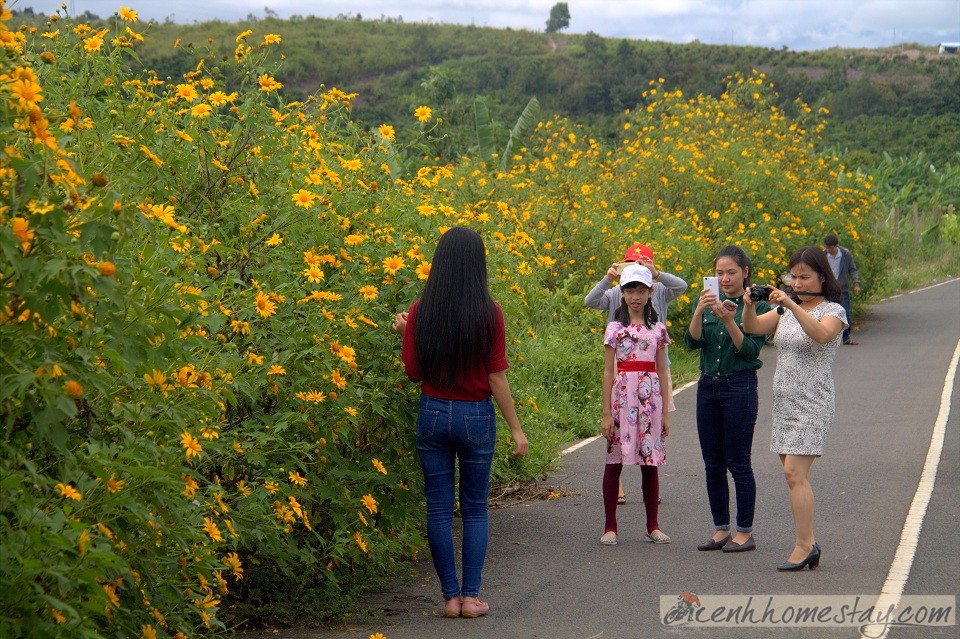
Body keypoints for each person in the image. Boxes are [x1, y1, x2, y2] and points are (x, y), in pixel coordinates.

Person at [392, 227, 529, 618]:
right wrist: (516, 429)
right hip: (475, 417)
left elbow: (414, 372)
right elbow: (496, 376)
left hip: (433, 412)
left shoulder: (421, 311)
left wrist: (407, 334)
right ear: (477, 264)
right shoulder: (490, 312)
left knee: (437, 510)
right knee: (474, 509)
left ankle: (450, 599)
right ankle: (471, 598)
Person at [742, 246, 847, 572]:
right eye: (794, 277)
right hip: (785, 402)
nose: (797, 283)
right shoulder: (788, 308)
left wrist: (789, 303)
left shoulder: (833, 310)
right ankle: (809, 544)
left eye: (804, 277)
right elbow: (754, 328)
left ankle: (803, 546)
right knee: (793, 476)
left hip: (813, 402)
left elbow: (820, 335)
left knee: (793, 473)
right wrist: (749, 305)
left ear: (821, 276)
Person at [684, 245, 771, 554]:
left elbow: (749, 351)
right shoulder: (706, 300)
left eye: (731, 272)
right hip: (708, 386)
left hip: (739, 387)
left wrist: (730, 320)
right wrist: (699, 311)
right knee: (713, 464)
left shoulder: (756, 307)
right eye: (719, 273)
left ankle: (744, 532)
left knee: (738, 461)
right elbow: (692, 342)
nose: (724, 278)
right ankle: (721, 528)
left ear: (745, 272)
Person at [585, 243, 687, 503]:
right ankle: (617, 486)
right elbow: (591, 301)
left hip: (653, 370)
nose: (635, 294)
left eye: (642, 263)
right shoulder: (619, 291)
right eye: (631, 263)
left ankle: (651, 486)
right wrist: (609, 278)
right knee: (619, 432)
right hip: (623, 369)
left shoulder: (658, 290)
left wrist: (656, 273)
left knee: (651, 430)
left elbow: (682, 286)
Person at [599, 263, 673, 546]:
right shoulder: (614, 329)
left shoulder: (658, 330)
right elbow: (608, 371)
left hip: (650, 401)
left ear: (650, 293)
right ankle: (610, 527)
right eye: (630, 290)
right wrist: (606, 412)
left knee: (650, 462)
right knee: (613, 460)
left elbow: (663, 371)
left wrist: (665, 412)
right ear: (622, 293)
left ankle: (653, 526)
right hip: (621, 400)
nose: (635, 296)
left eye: (641, 290)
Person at [822, 234, 861, 345]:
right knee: (826, 314)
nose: (828, 249)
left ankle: (846, 337)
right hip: (828, 290)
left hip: (842, 289)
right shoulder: (823, 255)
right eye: (826, 247)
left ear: (836, 246)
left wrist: (856, 284)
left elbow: (853, 270)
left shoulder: (845, 254)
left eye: (830, 247)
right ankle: (827, 337)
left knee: (845, 313)